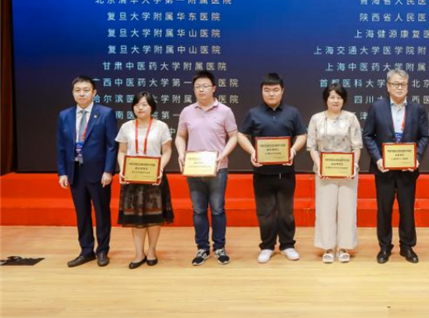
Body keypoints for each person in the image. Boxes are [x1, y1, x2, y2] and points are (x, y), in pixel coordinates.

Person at [238, 74, 307, 264]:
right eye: (267, 90)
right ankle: (267, 246)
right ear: (261, 91)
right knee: (265, 212)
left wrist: (293, 150)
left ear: (282, 91)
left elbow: (302, 135)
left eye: (275, 90)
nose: (271, 94)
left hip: (286, 172)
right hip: (262, 173)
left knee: (286, 211)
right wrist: (252, 151)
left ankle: (287, 245)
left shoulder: (292, 112)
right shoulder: (253, 113)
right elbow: (241, 135)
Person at [363, 69, 429, 264]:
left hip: (407, 169)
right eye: (395, 84)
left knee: (407, 209)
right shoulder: (377, 107)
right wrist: (378, 159)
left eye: (403, 84)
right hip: (384, 169)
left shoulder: (417, 109)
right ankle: (385, 247)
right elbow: (368, 135)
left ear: (408, 87)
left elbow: (424, 136)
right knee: (384, 209)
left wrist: (417, 157)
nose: (399, 87)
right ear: (388, 86)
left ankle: (407, 246)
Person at [175, 70, 238, 266]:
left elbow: (233, 136)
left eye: (205, 86)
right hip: (194, 168)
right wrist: (181, 153)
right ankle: (202, 248)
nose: (201, 89)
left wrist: (223, 154)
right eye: (197, 87)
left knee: (218, 209)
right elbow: (180, 136)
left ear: (214, 88)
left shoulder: (225, 111)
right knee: (198, 210)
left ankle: (219, 247)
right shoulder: (187, 111)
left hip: (218, 168)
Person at [57, 76, 118, 267]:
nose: (81, 94)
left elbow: (111, 146)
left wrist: (108, 171)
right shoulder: (65, 115)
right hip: (75, 171)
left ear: (94, 93)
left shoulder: (106, 113)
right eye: (78, 90)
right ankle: (86, 251)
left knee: (101, 212)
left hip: (99, 173)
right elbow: (61, 146)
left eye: (86, 90)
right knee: (81, 213)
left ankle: (102, 250)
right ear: (73, 93)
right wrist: (62, 172)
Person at [115, 92, 174, 269]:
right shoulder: (126, 127)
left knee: (154, 218)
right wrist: (122, 169)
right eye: (137, 104)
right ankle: (139, 253)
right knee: (136, 219)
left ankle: (151, 251)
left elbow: (167, 151)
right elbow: (122, 151)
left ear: (152, 107)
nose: (140, 108)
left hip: (154, 178)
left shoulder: (161, 126)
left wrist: (160, 169)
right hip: (132, 178)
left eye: (144, 104)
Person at [307, 83, 363, 263]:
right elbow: (312, 146)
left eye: (339, 97)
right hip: (324, 172)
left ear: (344, 100)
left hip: (348, 172)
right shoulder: (316, 119)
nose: (335, 100)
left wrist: (354, 165)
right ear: (326, 99)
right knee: (325, 209)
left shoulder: (351, 118)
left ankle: (344, 247)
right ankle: (328, 248)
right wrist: (320, 166)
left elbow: (357, 146)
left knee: (347, 209)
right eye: (332, 97)